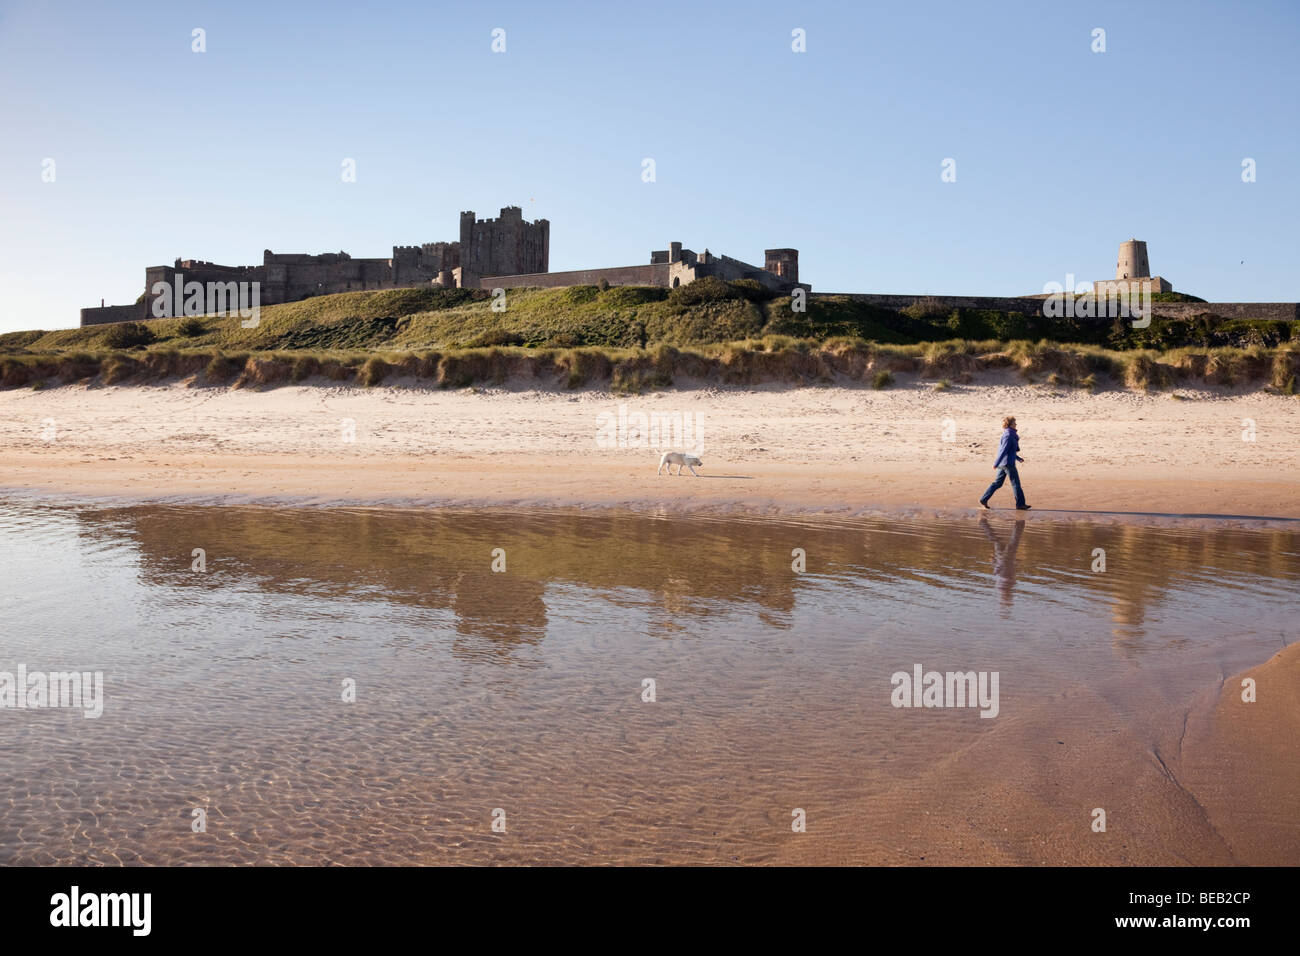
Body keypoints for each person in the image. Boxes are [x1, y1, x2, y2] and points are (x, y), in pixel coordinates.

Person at [979, 416, 1031, 511]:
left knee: (997, 483)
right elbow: (1003, 451)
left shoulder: (1009, 434)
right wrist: (996, 463)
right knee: (1016, 484)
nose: (1016, 424)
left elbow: (1009, 451)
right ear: (1010, 424)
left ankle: (984, 499)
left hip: (1004, 463)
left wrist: (1018, 458)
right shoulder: (1008, 435)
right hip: (1008, 464)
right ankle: (1020, 504)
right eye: (1014, 423)